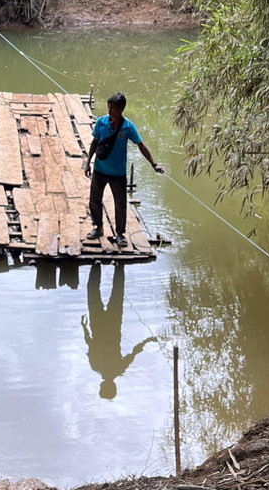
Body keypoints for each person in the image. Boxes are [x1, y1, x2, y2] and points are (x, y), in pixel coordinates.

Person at [82, 92, 164, 248]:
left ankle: (120, 233)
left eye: (112, 108)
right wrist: (88, 162)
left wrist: (154, 165)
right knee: (94, 200)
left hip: (118, 174)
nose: (109, 111)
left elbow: (141, 146)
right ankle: (98, 227)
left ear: (121, 109)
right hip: (99, 170)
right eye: (108, 108)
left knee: (120, 204)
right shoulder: (101, 122)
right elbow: (95, 142)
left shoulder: (128, 127)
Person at [82, 263, 156, 399]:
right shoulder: (96, 366)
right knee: (93, 291)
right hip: (98, 324)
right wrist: (84, 327)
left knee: (117, 291)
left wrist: (147, 341)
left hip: (113, 324)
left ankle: (119, 266)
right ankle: (96, 264)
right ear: (102, 386)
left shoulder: (118, 368)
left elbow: (134, 352)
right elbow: (89, 342)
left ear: (114, 386)